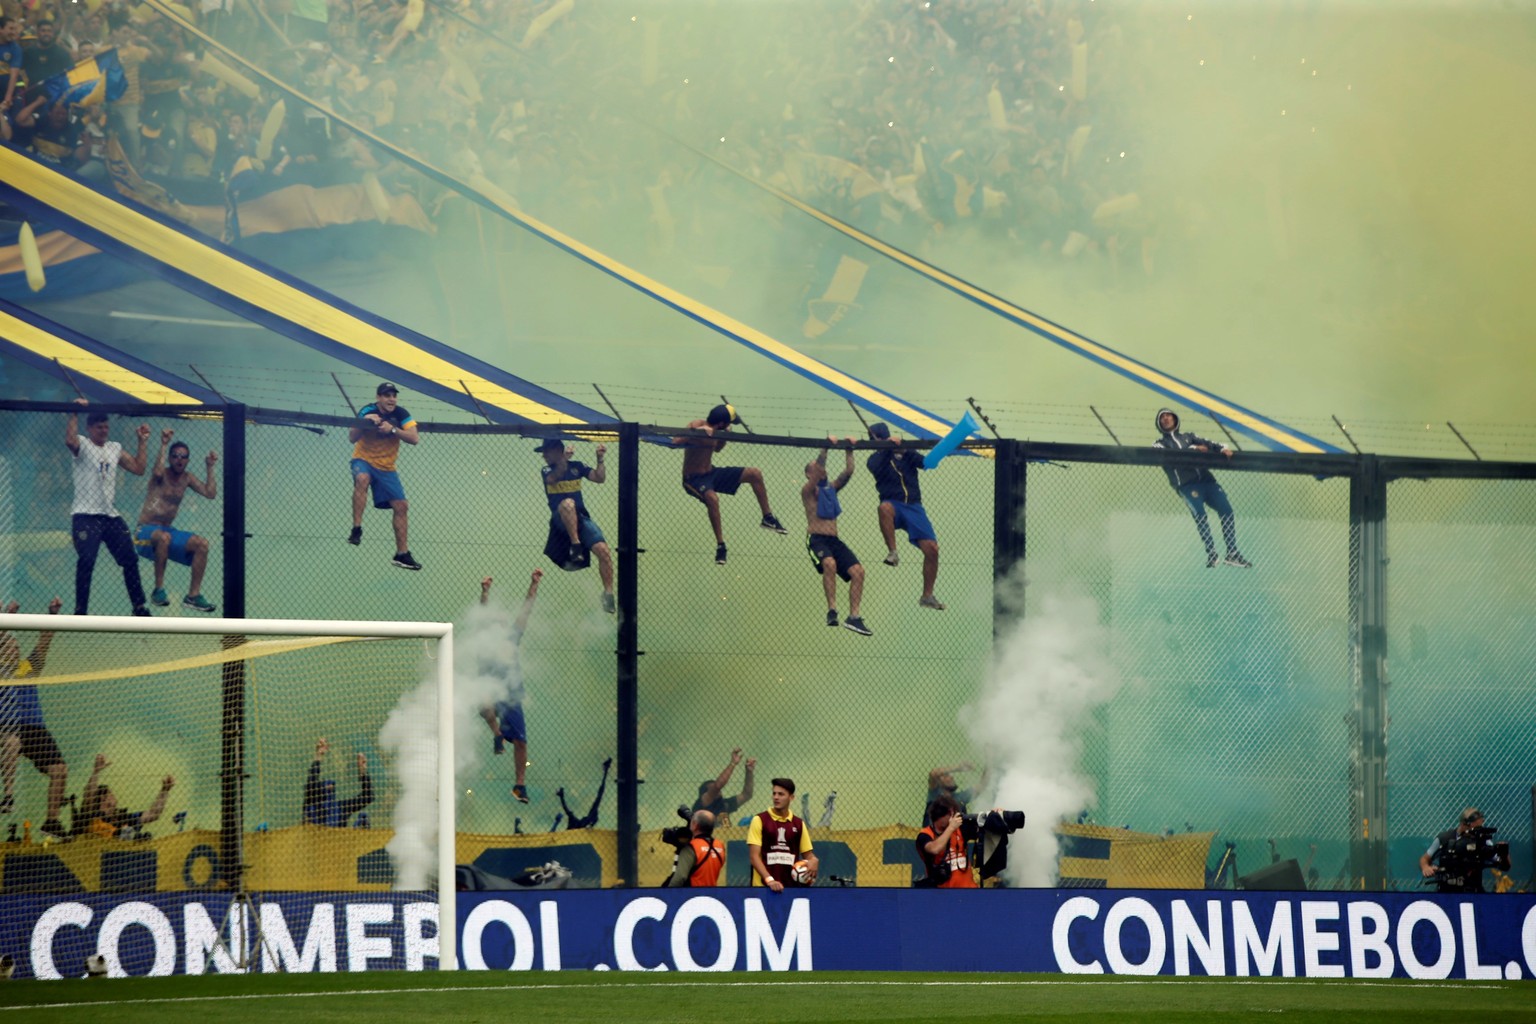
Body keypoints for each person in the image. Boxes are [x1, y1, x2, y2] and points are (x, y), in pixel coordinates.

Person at [65, 400, 153, 616]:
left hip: (109, 516)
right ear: (90, 428)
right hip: (85, 515)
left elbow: (139, 468)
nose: (104, 430)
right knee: (87, 560)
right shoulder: (84, 444)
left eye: (106, 426)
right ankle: (80, 611)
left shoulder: (114, 448)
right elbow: (70, 441)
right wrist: (74, 411)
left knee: (130, 559)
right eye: (99, 427)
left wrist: (142, 441)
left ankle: (139, 607)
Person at [674, 403, 787, 565]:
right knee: (712, 499)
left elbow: (717, 449)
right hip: (693, 479)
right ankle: (721, 546)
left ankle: (768, 518)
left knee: (754, 473)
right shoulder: (697, 425)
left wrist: (723, 437)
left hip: (711, 473)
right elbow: (676, 440)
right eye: (729, 424)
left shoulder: (717, 432)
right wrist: (698, 433)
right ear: (721, 422)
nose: (729, 426)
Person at [0, 597, 68, 839]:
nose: (14, 648)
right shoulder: (1, 672)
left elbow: (44, 641)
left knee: (60, 770)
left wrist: (52, 614)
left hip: (33, 729)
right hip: (6, 728)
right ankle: (8, 796)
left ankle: (52, 821)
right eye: (8, 645)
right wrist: (6, 617)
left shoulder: (26, 669)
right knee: (11, 743)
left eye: (15, 646)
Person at [1152, 408, 1252, 569]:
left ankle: (1232, 553)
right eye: (1162, 417)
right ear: (1159, 423)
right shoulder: (1158, 444)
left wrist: (1221, 449)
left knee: (1226, 510)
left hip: (1208, 482)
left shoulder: (1189, 436)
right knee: (1200, 515)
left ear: (1175, 419)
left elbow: (1210, 444)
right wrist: (1193, 450)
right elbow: (1170, 456)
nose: (1166, 418)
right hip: (1187, 486)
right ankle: (1212, 553)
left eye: (1168, 415)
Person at [134, 429, 219, 612]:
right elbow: (156, 472)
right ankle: (158, 590)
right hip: (145, 532)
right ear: (170, 458)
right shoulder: (161, 474)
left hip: (167, 531)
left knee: (201, 544)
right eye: (176, 456)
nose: (179, 459)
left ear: (188, 460)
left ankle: (193, 596)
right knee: (163, 537)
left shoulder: (187, 478)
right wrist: (164, 444)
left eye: (183, 457)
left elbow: (210, 493)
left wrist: (210, 467)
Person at [865, 422, 944, 609]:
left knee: (932, 549)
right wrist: (887, 449)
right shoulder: (874, 459)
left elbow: (924, 463)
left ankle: (927, 595)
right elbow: (877, 466)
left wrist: (905, 451)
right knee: (884, 508)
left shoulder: (905, 453)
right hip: (893, 504)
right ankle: (893, 552)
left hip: (914, 506)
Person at [478, 572, 539, 803]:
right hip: (490, 690)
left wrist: (533, 584)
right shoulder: (485, 640)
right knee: (484, 705)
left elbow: (526, 611)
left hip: (512, 696)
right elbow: (482, 614)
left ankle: (519, 786)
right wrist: (485, 592)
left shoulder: (513, 637)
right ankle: (497, 734)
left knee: (522, 742)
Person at [535, 438, 615, 613]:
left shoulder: (576, 466)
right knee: (568, 503)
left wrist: (600, 459)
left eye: (547, 451)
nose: (544, 455)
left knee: (604, 550)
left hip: (580, 518)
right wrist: (563, 461)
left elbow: (599, 478)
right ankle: (576, 546)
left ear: (558, 450)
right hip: (560, 518)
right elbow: (553, 479)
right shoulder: (547, 470)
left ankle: (608, 594)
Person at [348, 382, 421, 570]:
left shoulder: (401, 414)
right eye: (387, 396)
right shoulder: (367, 410)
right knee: (362, 478)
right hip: (363, 459)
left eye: (394, 396)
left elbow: (414, 438)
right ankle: (357, 528)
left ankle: (402, 554)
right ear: (379, 398)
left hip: (387, 467)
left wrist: (393, 430)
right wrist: (365, 423)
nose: (391, 399)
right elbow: (352, 437)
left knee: (402, 506)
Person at [802, 437, 870, 635]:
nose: (822, 471)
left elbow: (848, 473)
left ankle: (854, 617)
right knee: (829, 563)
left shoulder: (831, 489)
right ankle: (832, 610)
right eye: (816, 469)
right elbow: (818, 470)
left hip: (834, 540)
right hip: (816, 539)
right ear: (809, 474)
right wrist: (824, 449)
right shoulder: (807, 491)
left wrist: (849, 450)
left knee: (858, 571)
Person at [75, 753, 175, 840]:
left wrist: (164, 791)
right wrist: (96, 772)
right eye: (110, 793)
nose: (114, 795)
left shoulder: (122, 818)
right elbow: (89, 796)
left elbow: (154, 814)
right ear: (103, 797)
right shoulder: (92, 815)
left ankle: (131, 837)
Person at [748, 777, 818, 891]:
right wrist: (769, 880)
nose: (776, 797)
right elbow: (754, 856)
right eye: (774, 793)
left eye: (781, 794)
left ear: (791, 797)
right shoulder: (759, 820)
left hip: (789, 889)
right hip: (763, 888)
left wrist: (814, 860)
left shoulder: (799, 824)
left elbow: (808, 855)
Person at [1419, 807, 1510, 894]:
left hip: (1473, 890)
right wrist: (1426, 867)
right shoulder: (1444, 838)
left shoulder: (1482, 841)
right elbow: (1424, 859)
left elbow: (1504, 865)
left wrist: (1503, 854)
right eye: (1474, 829)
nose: (1475, 832)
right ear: (1464, 824)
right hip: (1447, 890)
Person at [301, 738, 374, 827]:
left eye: (331, 785)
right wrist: (318, 756)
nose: (330, 786)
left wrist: (363, 771)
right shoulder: (312, 805)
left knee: (363, 817)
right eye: (326, 785)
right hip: (313, 839)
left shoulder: (341, 808)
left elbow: (368, 796)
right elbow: (311, 784)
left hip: (337, 840)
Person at [916, 794, 978, 888]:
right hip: (943, 893)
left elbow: (984, 831)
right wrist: (951, 827)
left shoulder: (959, 830)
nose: (953, 819)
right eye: (951, 814)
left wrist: (994, 815)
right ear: (940, 815)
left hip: (969, 890)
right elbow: (934, 849)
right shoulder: (925, 835)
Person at [664, 809, 725, 887]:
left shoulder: (691, 847)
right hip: (711, 892)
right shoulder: (720, 845)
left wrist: (668, 894)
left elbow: (680, 878)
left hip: (692, 894)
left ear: (695, 825)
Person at [692, 747, 755, 820]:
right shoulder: (702, 805)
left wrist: (749, 772)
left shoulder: (725, 804)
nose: (717, 790)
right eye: (712, 790)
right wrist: (733, 763)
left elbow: (747, 794)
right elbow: (718, 786)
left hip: (725, 831)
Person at [922, 761, 986, 827]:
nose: (951, 777)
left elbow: (981, 786)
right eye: (946, 776)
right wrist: (959, 767)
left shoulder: (959, 797)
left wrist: (989, 766)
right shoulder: (935, 794)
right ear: (939, 782)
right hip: (933, 836)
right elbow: (933, 774)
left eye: (950, 776)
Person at [556, 756, 612, 829]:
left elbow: (568, 811)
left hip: (580, 825)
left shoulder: (579, 823)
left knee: (597, 801)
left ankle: (606, 770)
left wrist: (562, 798)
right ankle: (606, 770)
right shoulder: (584, 822)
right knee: (597, 800)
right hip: (581, 825)